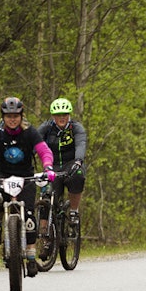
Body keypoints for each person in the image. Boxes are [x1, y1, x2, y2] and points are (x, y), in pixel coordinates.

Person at [0, 97, 56, 277]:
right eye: (9, 116)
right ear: (3, 117)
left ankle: (31, 256)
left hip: (25, 176)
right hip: (2, 174)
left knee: (29, 217)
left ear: (21, 116)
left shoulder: (30, 132)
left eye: (16, 116)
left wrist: (48, 167)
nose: (12, 119)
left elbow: (44, 151)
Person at [36, 97, 88, 237]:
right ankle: (44, 233)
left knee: (78, 175)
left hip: (71, 163)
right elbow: (35, 143)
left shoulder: (76, 128)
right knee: (46, 196)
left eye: (64, 114)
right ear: (53, 116)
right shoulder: (46, 128)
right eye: (58, 115)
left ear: (69, 114)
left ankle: (73, 212)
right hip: (51, 166)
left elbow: (81, 144)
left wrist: (78, 161)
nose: (62, 117)